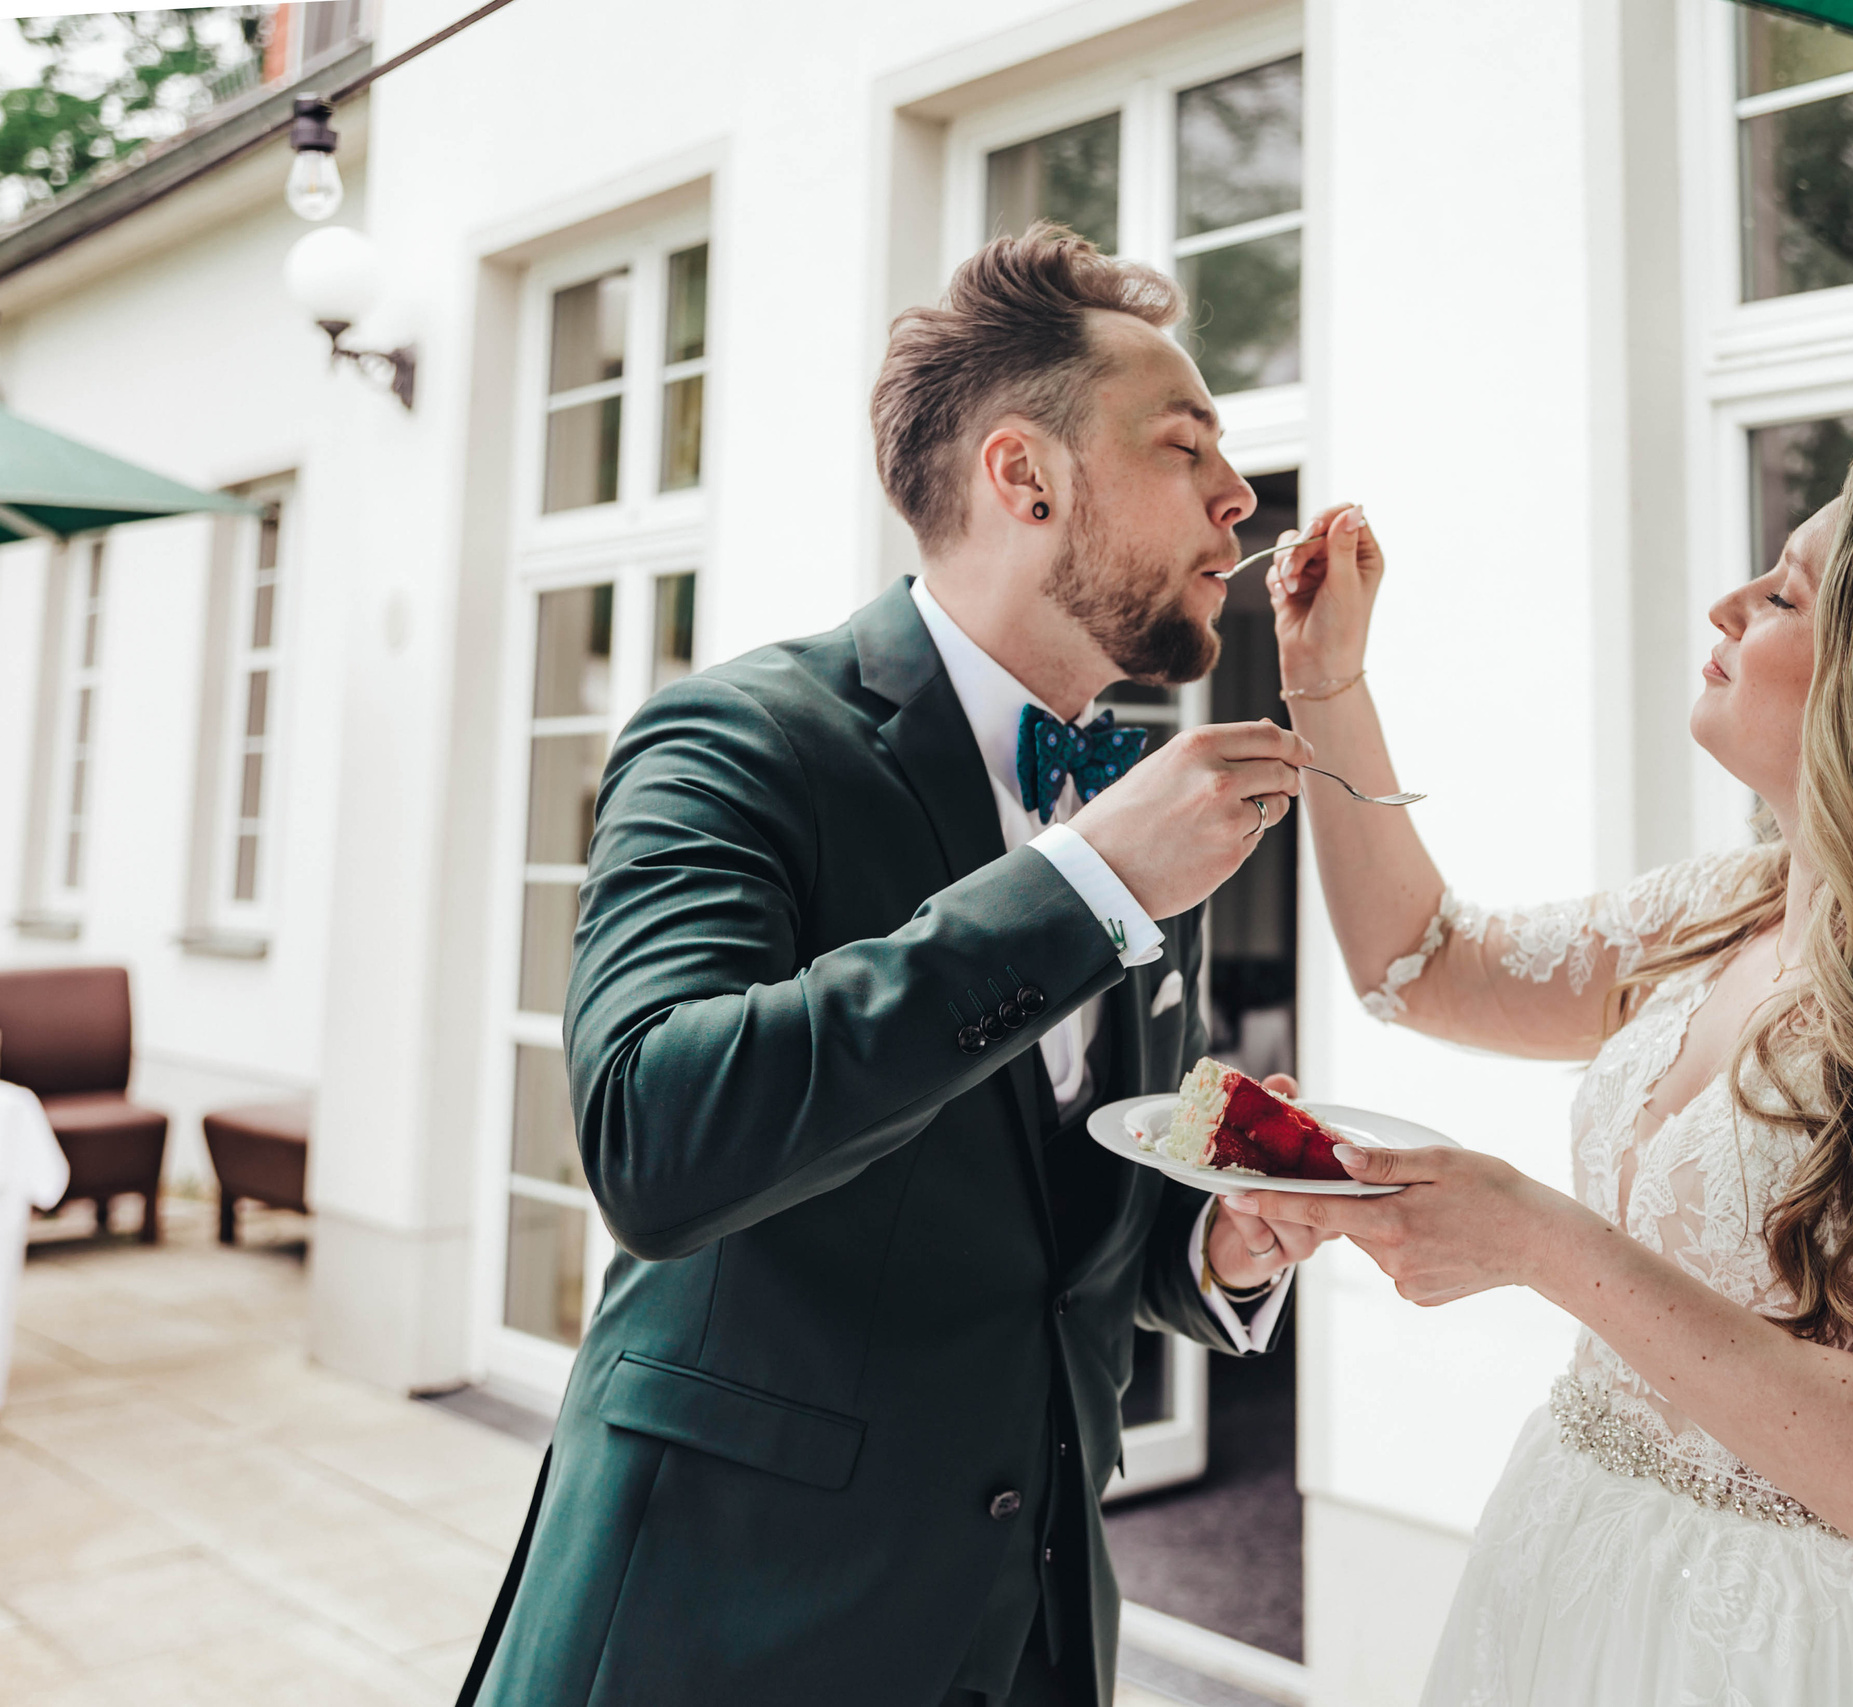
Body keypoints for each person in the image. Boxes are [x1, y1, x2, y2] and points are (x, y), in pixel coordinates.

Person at [459, 226, 1327, 1707]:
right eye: (1188, 444)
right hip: (722, 1629)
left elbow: (1053, 1222)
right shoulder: (735, 740)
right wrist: (1087, 884)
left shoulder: (1136, 808)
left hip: (1030, 1632)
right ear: (1024, 477)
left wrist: (1209, 1250)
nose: (1240, 496)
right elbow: (654, 1139)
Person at [1235, 447, 1853, 1703]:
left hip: (1790, 1649)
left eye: (1787, 595)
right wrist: (1324, 683)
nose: (1727, 605)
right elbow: (1418, 964)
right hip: (1566, 1560)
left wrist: (1536, 1238)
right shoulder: (1730, 907)